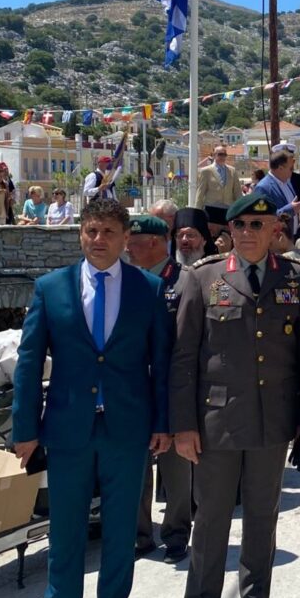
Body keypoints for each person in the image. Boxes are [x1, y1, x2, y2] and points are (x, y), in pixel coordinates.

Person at [11, 201, 172, 598]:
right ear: (80, 235)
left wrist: (162, 423)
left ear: (125, 238)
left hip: (127, 430)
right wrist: (24, 429)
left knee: (121, 533)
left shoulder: (148, 289)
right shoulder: (52, 288)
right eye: (90, 231)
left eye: (107, 232)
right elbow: (28, 362)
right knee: (65, 534)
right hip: (68, 430)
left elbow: (161, 364)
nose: (97, 239)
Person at [170, 192, 300, 598]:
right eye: (241, 225)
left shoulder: (295, 277)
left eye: (259, 225)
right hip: (217, 421)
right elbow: (184, 356)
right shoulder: (203, 277)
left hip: (273, 420)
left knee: (262, 517)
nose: (249, 233)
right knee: (210, 520)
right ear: (229, 231)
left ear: (275, 229)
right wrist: (184, 425)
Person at [127, 215, 194, 564]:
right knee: (136, 467)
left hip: (172, 386)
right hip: (136, 389)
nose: (127, 249)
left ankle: (177, 535)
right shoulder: (128, 281)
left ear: (154, 242)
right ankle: (140, 535)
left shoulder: (184, 281)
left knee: (176, 468)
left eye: (132, 243)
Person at [254, 149, 300, 234]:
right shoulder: (263, 187)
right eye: (290, 168)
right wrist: (290, 209)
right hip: (276, 238)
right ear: (280, 168)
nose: (292, 171)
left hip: (291, 236)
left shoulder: (286, 182)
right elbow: (262, 217)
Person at [195, 145, 243, 211]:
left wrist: (241, 209)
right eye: (220, 154)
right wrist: (197, 212)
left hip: (228, 209)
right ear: (214, 155)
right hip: (211, 209)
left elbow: (238, 192)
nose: (223, 157)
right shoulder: (205, 171)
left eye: (224, 155)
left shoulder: (232, 171)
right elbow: (200, 193)